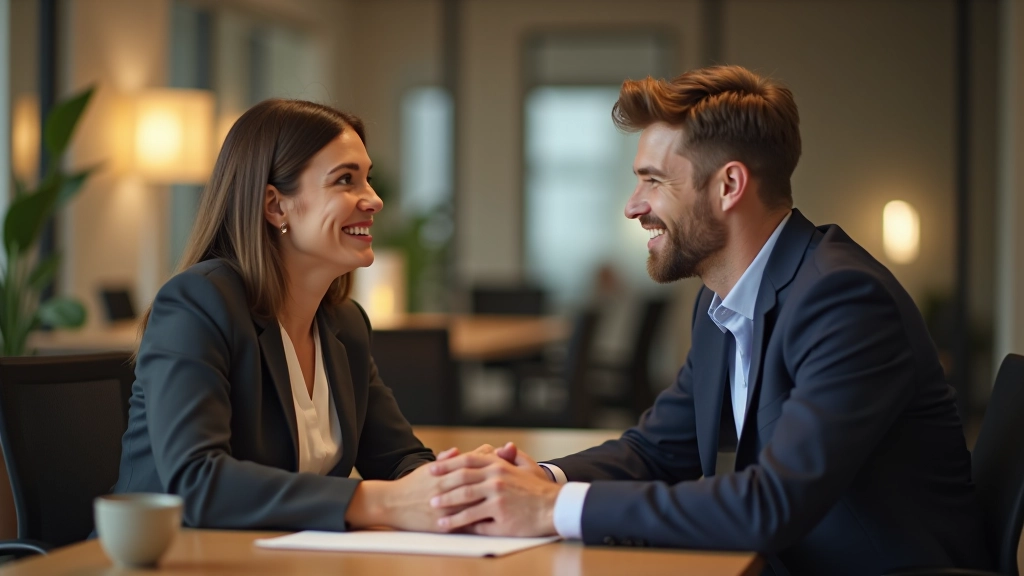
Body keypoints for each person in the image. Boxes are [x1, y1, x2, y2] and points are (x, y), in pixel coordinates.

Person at [427, 66, 992, 574]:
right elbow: (655, 451)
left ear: (729, 186)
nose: (633, 205)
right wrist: (537, 478)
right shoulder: (721, 300)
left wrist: (552, 508)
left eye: (653, 180)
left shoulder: (843, 300)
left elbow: (770, 505)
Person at [110, 99, 454, 532]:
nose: (374, 200)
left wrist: (458, 486)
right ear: (275, 206)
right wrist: (381, 501)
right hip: (170, 555)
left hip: (282, 555)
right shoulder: (197, 304)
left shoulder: (345, 325)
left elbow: (399, 459)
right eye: (345, 180)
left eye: (367, 179)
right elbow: (197, 482)